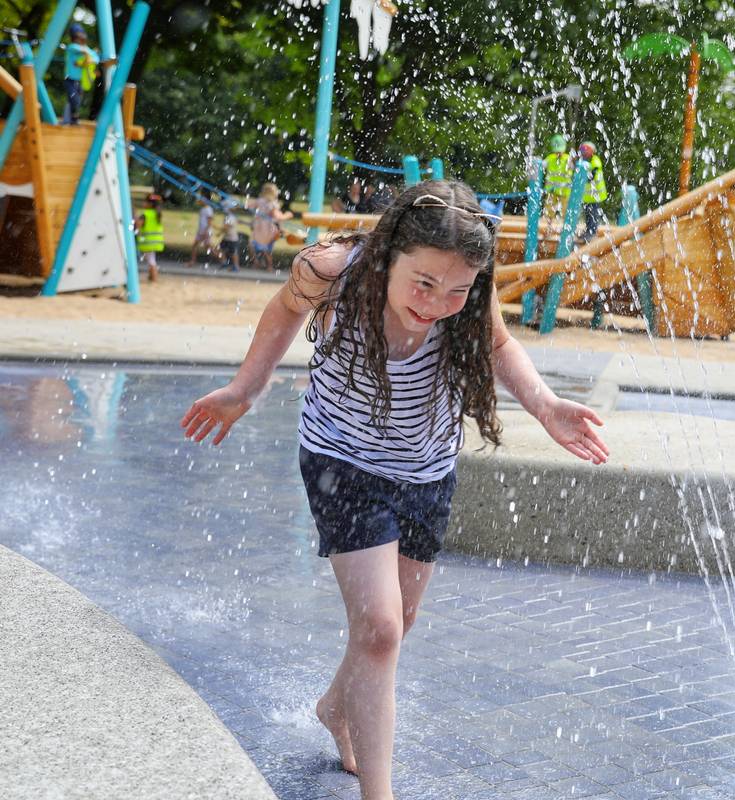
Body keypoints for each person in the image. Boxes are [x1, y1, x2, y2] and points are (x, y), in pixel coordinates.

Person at [178, 180, 609, 800]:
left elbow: (499, 344)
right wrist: (246, 388)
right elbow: (282, 310)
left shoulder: (468, 290)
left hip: (427, 467)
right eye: (424, 283)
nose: (437, 304)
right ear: (389, 253)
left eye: (456, 290)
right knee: (379, 628)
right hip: (343, 461)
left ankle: (335, 707)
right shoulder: (333, 271)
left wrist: (543, 406)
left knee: (397, 623)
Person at [61, 23, 114, 125]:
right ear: (74, 38)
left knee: (75, 101)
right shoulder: (72, 47)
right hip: (70, 79)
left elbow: (95, 58)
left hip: (80, 80)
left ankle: (68, 120)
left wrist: (90, 60)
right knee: (74, 99)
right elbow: (89, 55)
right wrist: (89, 56)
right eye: (78, 37)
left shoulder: (86, 49)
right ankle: (73, 120)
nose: (80, 39)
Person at [247, 182, 294, 270]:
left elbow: (248, 206)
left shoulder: (260, 201)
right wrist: (288, 215)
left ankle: (257, 262)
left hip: (259, 228)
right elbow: (278, 217)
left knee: (252, 245)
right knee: (266, 249)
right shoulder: (272, 204)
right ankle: (268, 266)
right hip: (268, 229)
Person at [577, 141, 608, 241]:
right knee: (588, 214)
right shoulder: (584, 161)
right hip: (588, 196)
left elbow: (591, 176)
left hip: (596, 194)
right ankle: (588, 231)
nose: (583, 152)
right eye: (581, 149)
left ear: (592, 151)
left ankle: (592, 232)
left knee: (593, 214)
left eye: (585, 150)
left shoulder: (595, 161)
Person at [542, 134, 572, 224]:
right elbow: (540, 166)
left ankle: (566, 230)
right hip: (552, 190)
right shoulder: (550, 158)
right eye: (556, 151)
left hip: (564, 191)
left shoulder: (568, 159)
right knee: (549, 210)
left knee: (566, 211)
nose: (558, 153)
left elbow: (574, 168)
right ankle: (548, 228)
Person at [134, 193, 164, 283]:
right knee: (151, 259)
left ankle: (154, 278)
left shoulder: (145, 215)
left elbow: (138, 225)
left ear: (150, 204)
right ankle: (151, 277)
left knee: (151, 261)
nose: (143, 203)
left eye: (145, 202)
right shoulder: (157, 214)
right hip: (155, 241)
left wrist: (135, 218)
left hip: (147, 241)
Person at [187, 192, 217, 267]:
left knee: (208, 248)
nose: (200, 200)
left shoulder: (209, 210)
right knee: (196, 246)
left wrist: (205, 231)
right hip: (201, 231)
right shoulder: (203, 209)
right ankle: (192, 261)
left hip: (205, 232)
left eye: (202, 198)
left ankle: (223, 260)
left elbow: (209, 222)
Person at [218, 199, 241, 272]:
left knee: (233, 253)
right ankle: (224, 263)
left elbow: (226, 227)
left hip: (232, 238)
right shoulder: (228, 216)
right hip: (226, 237)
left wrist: (219, 232)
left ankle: (236, 267)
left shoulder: (230, 217)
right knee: (221, 250)